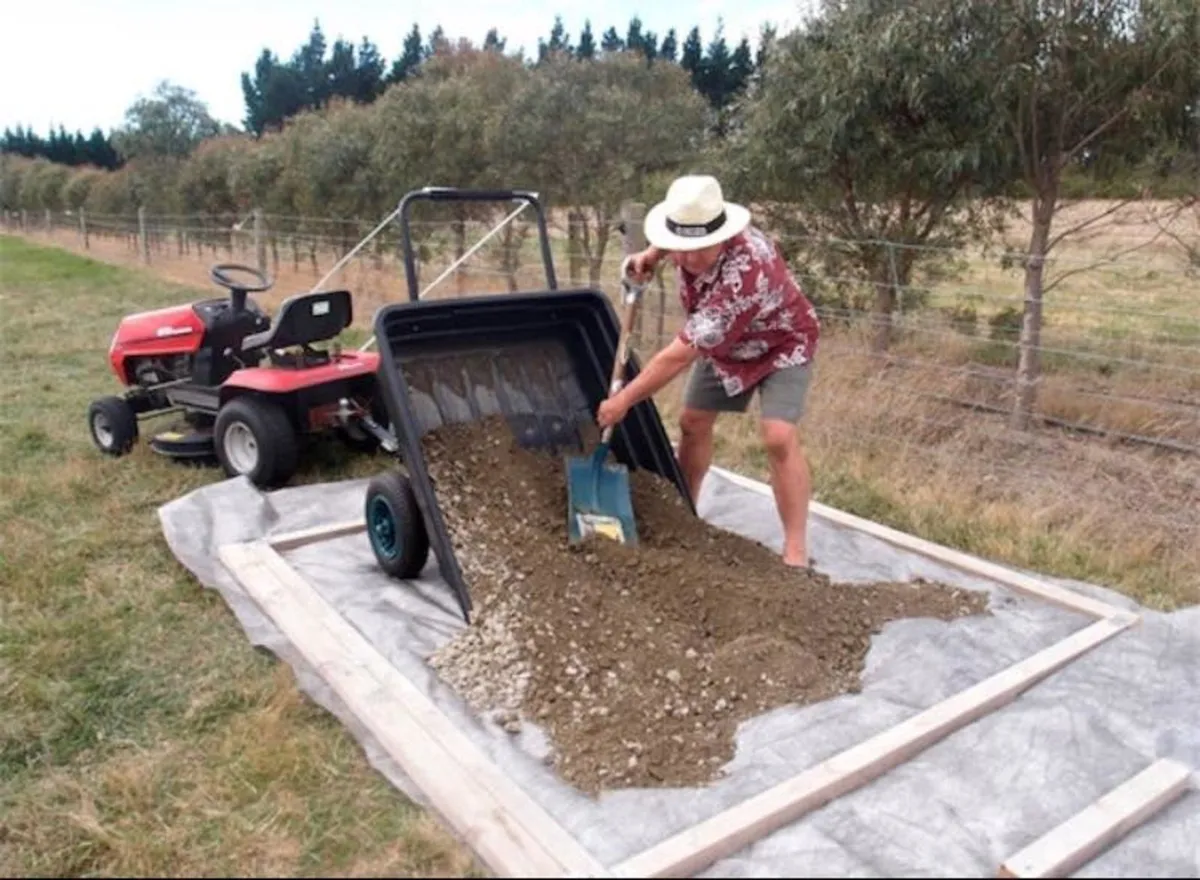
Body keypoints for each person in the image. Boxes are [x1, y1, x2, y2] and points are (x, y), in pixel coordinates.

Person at [596, 174, 821, 569]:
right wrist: (651, 255)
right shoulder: (693, 230)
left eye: (698, 251)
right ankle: (685, 516)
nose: (688, 259)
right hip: (727, 345)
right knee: (692, 422)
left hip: (781, 343)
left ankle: (796, 551)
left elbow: (677, 357)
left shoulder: (746, 273)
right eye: (681, 248)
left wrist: (623, 400)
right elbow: (674, 237)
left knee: (778, 437)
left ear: (723, 234)